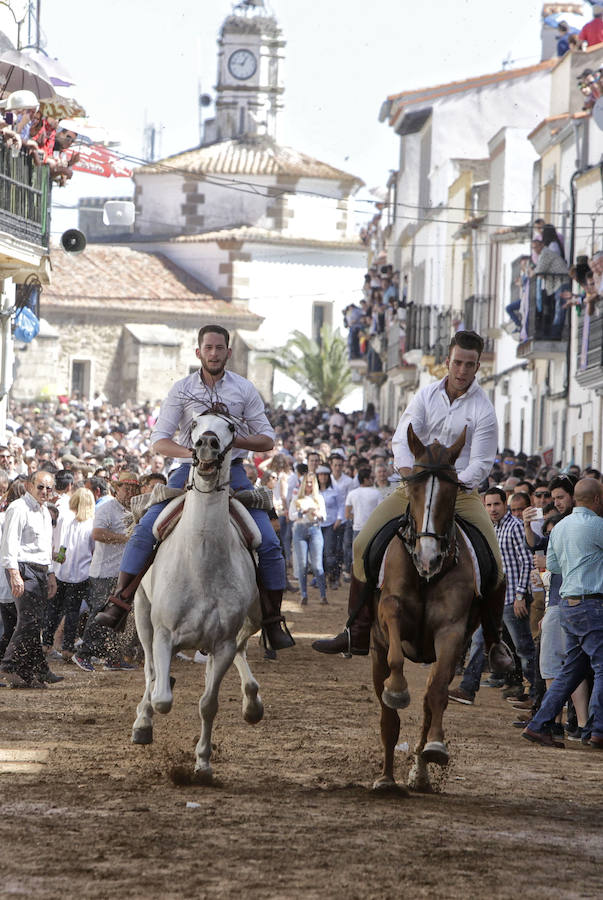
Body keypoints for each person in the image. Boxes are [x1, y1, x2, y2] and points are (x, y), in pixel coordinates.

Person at [314, 330, 513, 671]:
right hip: (414, 487)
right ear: (447, 362)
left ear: (478, 366)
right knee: (362, 543)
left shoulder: (484, 410)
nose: (461, 370)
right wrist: (409, 470)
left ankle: (495, 643)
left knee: (495, 564)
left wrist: (452, 481)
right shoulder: (425, 395)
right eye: (456, 362)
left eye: (469, 364)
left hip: (460, 493)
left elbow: (481, 461)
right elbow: (402, 438)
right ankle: (357, 628)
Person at [94, 325, 293, 654]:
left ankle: (272, 620)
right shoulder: (181, 390)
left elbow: (267, 439)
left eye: (220, 348)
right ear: (198, 352)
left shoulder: (244, 389)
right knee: (145, 530)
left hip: (233, 471)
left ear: (229, 353)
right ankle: (120, 601)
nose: (214, 353)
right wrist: (196, 453)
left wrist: (227, 441)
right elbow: (159, 440)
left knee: (270, 544)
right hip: (186, 471)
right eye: (208, 348)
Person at [522, 478, 603, 748]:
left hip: (567, 604)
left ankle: (538, 724)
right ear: (597, 499)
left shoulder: (559, 528)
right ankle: (597, 730)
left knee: (571, 670)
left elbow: (553, 566)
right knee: (600, 667)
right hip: (592, 604)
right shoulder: (598, 526)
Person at [72, 471, 140, 672]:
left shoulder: (134, 509)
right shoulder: (107, 508)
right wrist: (127, 540)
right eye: (125, 488)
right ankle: (83, 653)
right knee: (99, 613)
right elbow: (97, 534)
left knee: (118, 616)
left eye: (133, 488)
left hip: (122, 571)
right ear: (116, 489)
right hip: (104, 572)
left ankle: (112, 657)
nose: (129, 492)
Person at [0, 470, 62, 688]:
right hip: (24, 568)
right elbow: (9, 543)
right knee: (28, 621)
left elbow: (46, 547)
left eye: (49, 488)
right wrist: (14, 574)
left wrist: (51, 573)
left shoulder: (45, 511)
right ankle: (9, 665)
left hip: (40, 569)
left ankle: (33, 670)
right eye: (41, 487)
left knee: (36, 622)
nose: (45, 492)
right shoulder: (18, 508)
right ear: (29, 486)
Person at [42, 488, 95, 658]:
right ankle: (67, 647)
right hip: (81, 573)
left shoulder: (63, 517)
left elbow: (55, 539)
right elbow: (92, 549)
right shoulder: (91, 522)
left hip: (60, 570)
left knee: (54, 608)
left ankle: (46, 643)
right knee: (72, 611)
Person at [289, 473, 327, 605]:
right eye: (307, 482)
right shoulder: (296, 498)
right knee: (302, 564)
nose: (309, 485)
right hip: (300, 529)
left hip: (315, 528)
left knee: (317, 565)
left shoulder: (319, 498)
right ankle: (304, 594)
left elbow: (324, 517)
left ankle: (323, 594)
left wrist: (318, 514)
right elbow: (291, 516)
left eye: (311, 482)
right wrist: (302, 512)